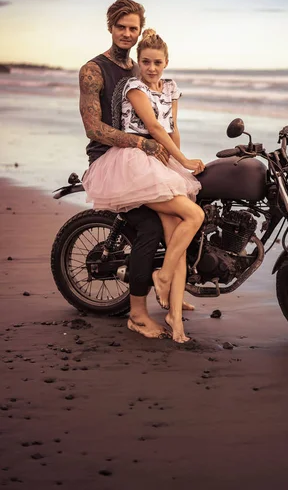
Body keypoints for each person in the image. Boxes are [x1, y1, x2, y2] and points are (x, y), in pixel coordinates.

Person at [82, 29, 205, 343]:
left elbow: (172, 130)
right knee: (194, 216)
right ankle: (162, 277)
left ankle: (175, 319)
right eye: (146, 61)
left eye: (158, 62)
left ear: (166, 63)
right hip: (135, 160)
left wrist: (179, 163)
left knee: (175, 230)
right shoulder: (135, 88)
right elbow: (152, 128)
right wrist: (185, 161)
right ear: (139, 62)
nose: (152, 67)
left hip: (162, 161)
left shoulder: (171, 88)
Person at [79, 0, 172, 341]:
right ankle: (136, 313)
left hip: (140, 157)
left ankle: (175, 290)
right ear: (111, 27)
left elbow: (155, 118)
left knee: (184, 210)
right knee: (149, 228)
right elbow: (94, 128)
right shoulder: (93, 70)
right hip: (109, 159)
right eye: (121, 27)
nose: (127, 34)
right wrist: (141, 144)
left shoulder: (141, 69)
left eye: (133, 28)